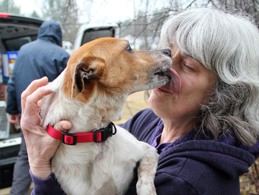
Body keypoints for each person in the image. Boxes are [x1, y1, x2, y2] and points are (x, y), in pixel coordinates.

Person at [20, 8, 259, 195]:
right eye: (169, 50)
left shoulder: (183, 181)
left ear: (225, 93)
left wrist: (41, 170)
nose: (167, 66)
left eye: (188, 65)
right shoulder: (148, 122)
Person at [6, 20, 70, 195]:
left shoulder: (24, 50)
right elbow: (70, 91)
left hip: (29, 114)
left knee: (26, 156)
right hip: (55, 119)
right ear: (58, 36)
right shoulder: (62, 54)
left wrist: (13, 111)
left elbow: (12, 82)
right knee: (56, 157)